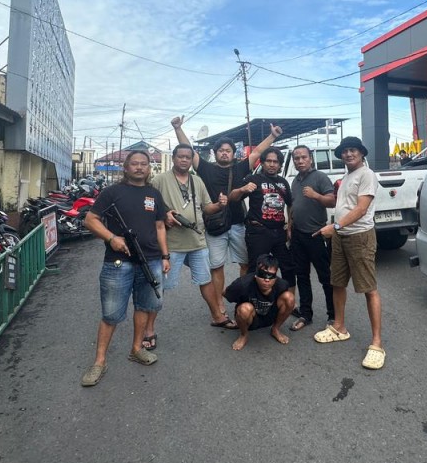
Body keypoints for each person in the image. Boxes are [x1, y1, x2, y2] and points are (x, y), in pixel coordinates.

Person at [171, 116, 282, 326]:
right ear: (215, 153)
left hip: (239, 224)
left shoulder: (240, 168)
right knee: (216, 266)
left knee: (245, 263)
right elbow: (190, 151)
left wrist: (272, 136)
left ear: (233, 153)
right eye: (221, 150)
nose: (224, 153)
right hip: (215, 226)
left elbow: (257, 152)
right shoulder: (206, 169)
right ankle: (220, 305)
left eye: (228, 150)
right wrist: (178, 128)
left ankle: (243, 299)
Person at [80, 150, 171, 387]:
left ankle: (136, 349)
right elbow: (90, 220)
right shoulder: (112, 192)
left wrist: (165, 256)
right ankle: (99, 362)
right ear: (126, 168)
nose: (139, 167)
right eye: (135, 164)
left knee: (145, 307)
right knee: (111, 314)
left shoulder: (154, 194)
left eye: (144, 164)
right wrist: (112, 238)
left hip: (151, 260)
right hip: (117, 262)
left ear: (149, 168)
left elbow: (160, 227)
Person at [313, 136, 385, 370]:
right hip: (341, 236)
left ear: (361, 153)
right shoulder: (346, 177)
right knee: (337, 283)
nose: (348, 154)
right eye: (344, 151)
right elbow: (342, 206)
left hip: (360, 236)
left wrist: (334, 226)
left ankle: (377, 344)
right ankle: (339, 327)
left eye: (353, 150)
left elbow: (362, 209)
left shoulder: (367, 175)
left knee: (369, 289)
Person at [151, 144, 232, 341]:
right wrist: (165, 214)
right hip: (172, 244)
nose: (184, 160)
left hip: (197, 241)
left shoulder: (197, 181)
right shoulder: (159, 180)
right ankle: (148, 329)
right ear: (173, 158)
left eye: (188, 157)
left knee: (205, 280)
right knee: (160, 287)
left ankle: (217, 317)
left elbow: (207, 208)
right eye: (180, 156)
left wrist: (219, 205)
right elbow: (148, 206)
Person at [286, 144, 335, 331]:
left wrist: (316, 195)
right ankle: (306, 314)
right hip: (298, 235)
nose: (300, 161)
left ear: (310, 159)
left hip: (316, 234)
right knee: (302, 276)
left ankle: (333, 316)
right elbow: (293, 205)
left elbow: (332, 201)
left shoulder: (320, 177)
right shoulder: (295, 181)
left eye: (303, 157)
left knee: (325, 277)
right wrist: (290, 226)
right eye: (296, 158)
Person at [230, 145, 294, 289]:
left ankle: (288, 299)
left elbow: (290, 205)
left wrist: (289, 226)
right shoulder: (253, 179)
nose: (272, 164)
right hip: (258, 232)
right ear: (263, 163)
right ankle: (251, 300)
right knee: (255, 268)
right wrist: (243, 189)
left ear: (280, 165)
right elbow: (233, 197)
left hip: (279, 232)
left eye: (275, 162)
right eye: (268, 161)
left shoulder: (283, 183)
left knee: (288, 268)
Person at [224, 253, 295, 351]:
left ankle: (275, 329)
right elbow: (226, 293)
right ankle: (244, 335)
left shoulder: (281, 284)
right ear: (256, 274)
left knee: (289, 297)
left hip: (270, 316)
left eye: (271, 276)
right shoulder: (242, 284)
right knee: (244, 309)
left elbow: (286, 304)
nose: (266, 280)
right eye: (262, 275)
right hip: (250, 318)